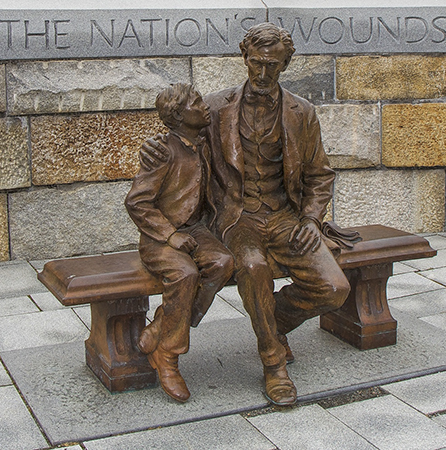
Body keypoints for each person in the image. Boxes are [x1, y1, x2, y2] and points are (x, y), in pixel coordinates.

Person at [141, 23, 350, 406]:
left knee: (334, 289)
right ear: (245, 58)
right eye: (256, 63)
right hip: (238, 218)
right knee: (253, 267)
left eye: (272, 64)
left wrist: (311, 219)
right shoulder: (216, 108)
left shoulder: (302, 112)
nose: (263, 73)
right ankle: (273, 364)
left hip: (287, 217)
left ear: (286, 63)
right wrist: (154, 148)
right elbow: (180, 138)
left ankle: (274, 323)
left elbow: (320, 175)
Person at [125, 83, 235, 402]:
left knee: (223, 263)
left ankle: (163, 324)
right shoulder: (162, 151)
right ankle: (168, 358)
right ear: (178, 114)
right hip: (161, 237)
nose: (204, 107)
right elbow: (137, 202)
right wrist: (169, 234)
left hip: (196, 230)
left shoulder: (202, 142)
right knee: (186, 274)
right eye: (197, 103)